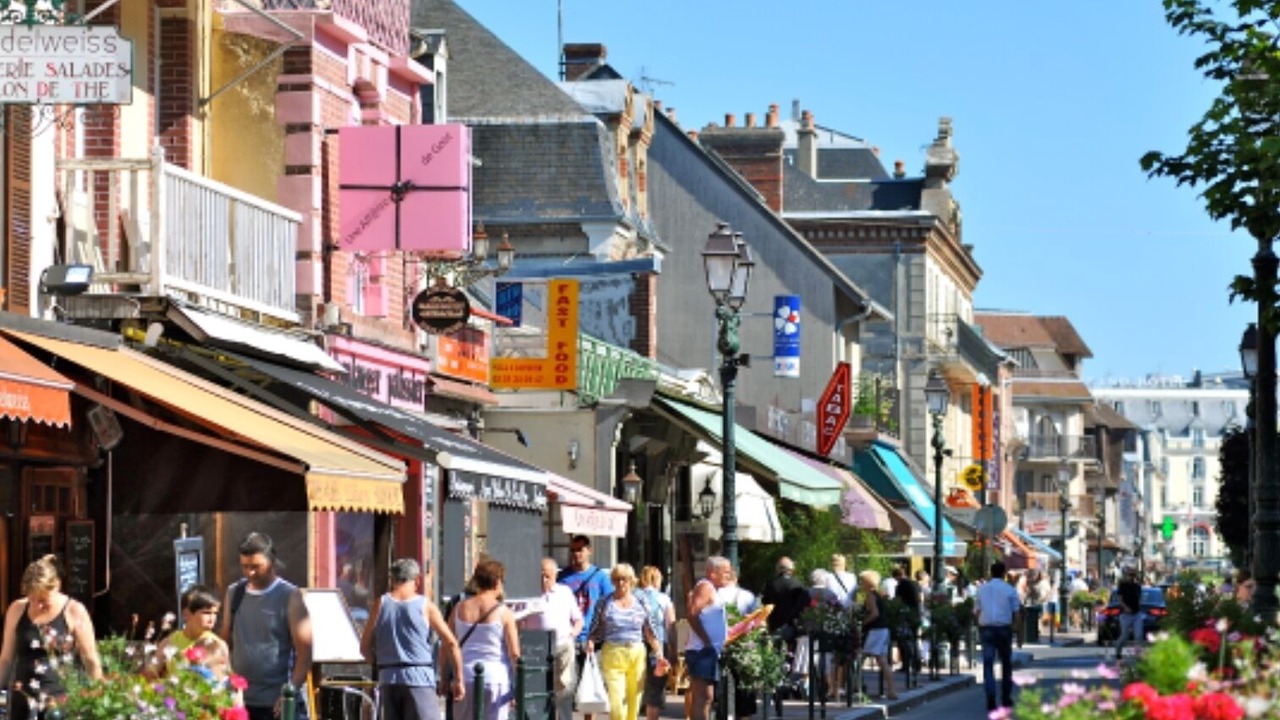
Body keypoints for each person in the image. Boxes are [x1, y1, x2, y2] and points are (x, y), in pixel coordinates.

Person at [220, 532, 313, 720]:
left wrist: (290, 692)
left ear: (272, 561)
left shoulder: (290, 596)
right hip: (240, 701)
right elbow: (224, 643)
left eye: (256, 567)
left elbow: (305, 652)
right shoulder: (234, 592)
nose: (250, 572)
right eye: (244, 567)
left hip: (276, 703)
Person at [0, 555, 103, 720]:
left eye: (43, 600)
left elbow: (91, 660)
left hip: (62, 705)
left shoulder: (74, 611)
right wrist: (1, 703)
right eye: (32, 599)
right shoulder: (16, 610)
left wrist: (98, 704)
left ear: (57, 587)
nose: (37, 605)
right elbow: (5, 660)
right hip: (24, 704)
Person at [360, 558, 464, 720]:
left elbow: (364, 647)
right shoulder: (425, 605)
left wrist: (378, 662)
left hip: (388, 678)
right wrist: (458, 679)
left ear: (392, 579)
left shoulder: (380, 604)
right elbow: (451, 643)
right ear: (417, 580)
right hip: (419, 678)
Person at [586, 564, 668, 720]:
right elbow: (595, 627)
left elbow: (650, 630)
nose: (620, 583)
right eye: (616, 579)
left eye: (624, 579)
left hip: (636, 653)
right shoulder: (604, 602)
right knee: (617, 705)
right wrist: (590, 641)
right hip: (612, 653)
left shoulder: (642, 601)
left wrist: (658, 653)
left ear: (631, 581)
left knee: (634, 703)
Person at [450, 558, 520, 720]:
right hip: (496, 678)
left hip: (465, 676)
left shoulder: (459, 608)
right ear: (497, 582)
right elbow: (514, 653)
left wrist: (445, 678)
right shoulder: (504, 612)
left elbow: (448, 644)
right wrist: (517, 686)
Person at [557, 534, 613, 719]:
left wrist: (599, 634)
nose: (576, 554)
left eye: (580, 550)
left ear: (589, 551)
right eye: (573, 550)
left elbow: (609, 605)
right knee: (567, 687)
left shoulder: (600, 577)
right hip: (568, 639)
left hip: (592, 638)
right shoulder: (562, 577)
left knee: (589, 687)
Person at [519, 558, 582, 720]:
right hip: (535, 648)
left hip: (561, 645)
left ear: (555, 575)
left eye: (547, 576)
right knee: (538, 688)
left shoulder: (564, 592)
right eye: (540, 576)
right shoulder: (528, 593)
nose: (543, 580)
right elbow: (518, 621)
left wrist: (572, 635)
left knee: (564, 687)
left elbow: (578, 619)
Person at [150, 584, 233, 682]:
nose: (212, 619)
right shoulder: (170, 642)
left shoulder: (218, 645)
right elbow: (149, 674)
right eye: (206, 613)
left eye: (215, 613)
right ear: (187, 614)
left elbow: (227, 681)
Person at [686, 556, 730, 720]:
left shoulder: (713, 590)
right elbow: (692, 613)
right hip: (701, 651)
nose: (729, 575)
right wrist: (706, 640)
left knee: (707, 697)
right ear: (713, 573)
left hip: (708, 651)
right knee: (703, 697)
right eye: (725, 572)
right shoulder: (705, 587)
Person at [975, 561, 1020, 712]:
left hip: (986, 629)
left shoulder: (981, 589)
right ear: (1003, 573)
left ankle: (991, 698)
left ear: (991, 572)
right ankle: (1006, 697)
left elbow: (976, 610)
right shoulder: (1010, 589)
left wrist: (978, 624)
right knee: (1006, 664)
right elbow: (1016, 612)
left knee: (988, 664)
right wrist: (1018, 631)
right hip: (1003, 629)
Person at [635, 566, 675, 720]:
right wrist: (673, 651)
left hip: (634, 645)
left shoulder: (633, 596)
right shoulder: (663, 599)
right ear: (656, 579)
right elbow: (671, 626)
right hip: (658, 646)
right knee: (655, 692)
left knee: (633, 689)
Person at [855, 570, 897, 701]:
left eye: (862, 581)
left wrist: (861, 623)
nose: (860, 584)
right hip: (883, 629)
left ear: (867, 582)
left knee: (859, 659)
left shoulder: (870, 596)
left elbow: (874, 613)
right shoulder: (877, 594)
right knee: (882, 661)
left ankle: (857, 688)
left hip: (875, 630)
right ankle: (891, 690)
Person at [761, 557, 809, 645]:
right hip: (793, 627)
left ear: (778, 569)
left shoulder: (771, 585)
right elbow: (805, 606)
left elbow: (765, 605)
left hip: (775, 625)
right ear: (791, 570)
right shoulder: (799, 585)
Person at [1115, 567, 1144, 659]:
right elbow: (1120, 599)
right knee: (1124, 636)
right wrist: (1125, 607)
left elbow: (1139, 598)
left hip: (1136, 614)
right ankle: (1118, 651)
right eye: (1130, 575)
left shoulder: (1137, 586)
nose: (1132, 577)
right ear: (1126, 575)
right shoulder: (1122, 586)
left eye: (1133, 575)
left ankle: (1138, 654)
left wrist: (1139, 606)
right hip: (1125, 614)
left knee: (1138, 635)